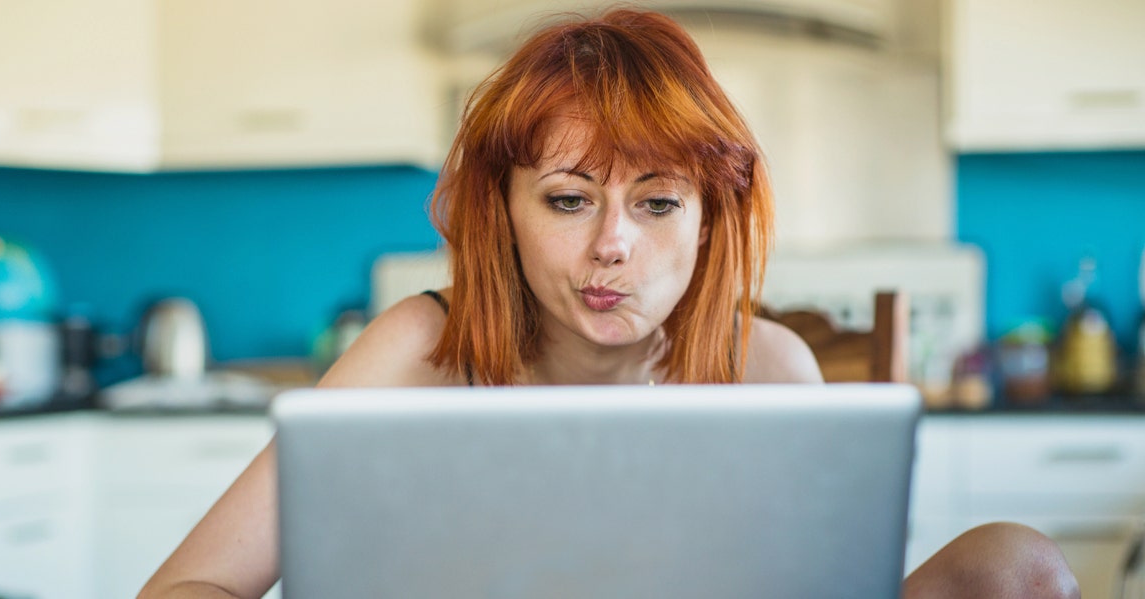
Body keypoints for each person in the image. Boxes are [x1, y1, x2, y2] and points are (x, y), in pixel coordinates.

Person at [140, 9, 1078, 599]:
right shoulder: (415, 348)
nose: (612, 245)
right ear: (502, 211)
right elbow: (188, 582)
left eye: (658, 202)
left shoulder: (772, 369)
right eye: (567, 199)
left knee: (1018, 562)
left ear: (710, 220)